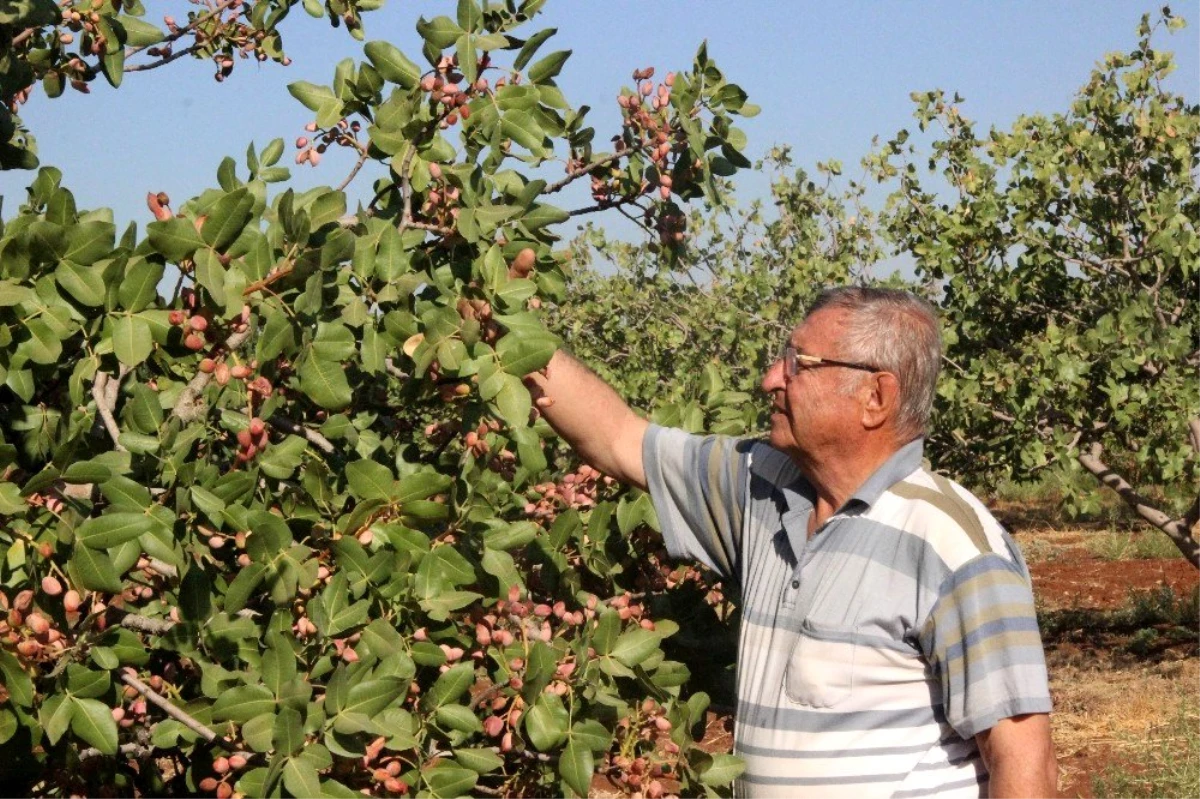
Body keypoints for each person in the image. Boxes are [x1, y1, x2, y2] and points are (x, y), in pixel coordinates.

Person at [525, 286, 1056, 797]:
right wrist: (509, 331)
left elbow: (1023, 761)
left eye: (800, 363)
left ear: (876, 396)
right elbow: (617, 438)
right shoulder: (758, 485)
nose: (770, 379)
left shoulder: (956, 546)